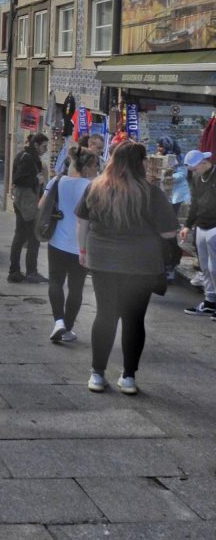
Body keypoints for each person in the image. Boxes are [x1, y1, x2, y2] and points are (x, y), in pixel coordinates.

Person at [76, 140, 178, 394]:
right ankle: (129, 377)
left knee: (105, 315)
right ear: (140, 163)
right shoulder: (151, 193)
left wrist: (83, 251)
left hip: (102, 261)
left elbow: (82, 221)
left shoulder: (95, 187)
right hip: (140, 265)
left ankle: (97, 375)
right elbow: (168, 233)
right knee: (134, 320)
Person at [42, 146, 99, 344]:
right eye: (96, 165)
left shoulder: (57, 181)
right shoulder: (93, 186)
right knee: (76, 288)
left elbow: (42, 205)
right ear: (89, 166)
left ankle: (58, 322)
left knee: (55, 281)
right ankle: (68, 327)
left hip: (57, 241)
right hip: (81, 245)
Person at [9, 132, 49, 283]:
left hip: (21, 201)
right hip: (27, 202)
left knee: (20, 236)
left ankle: (14, 271)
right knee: (33, 236)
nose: (46, 149)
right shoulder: (28, 159)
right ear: (36, 145)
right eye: (44, 146)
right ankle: (31, 271)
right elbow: (18, 179)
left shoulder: (23, 156)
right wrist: (35, 180)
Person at [180, 150, 216, 316]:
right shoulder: (196, 178)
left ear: (203, 162)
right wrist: (187, 225)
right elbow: (194, 203)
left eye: (195, 168)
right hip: (201, 226)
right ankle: (210, 302)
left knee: (214, 267)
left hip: (214, 226)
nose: (193, 172)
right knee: (205, 268)